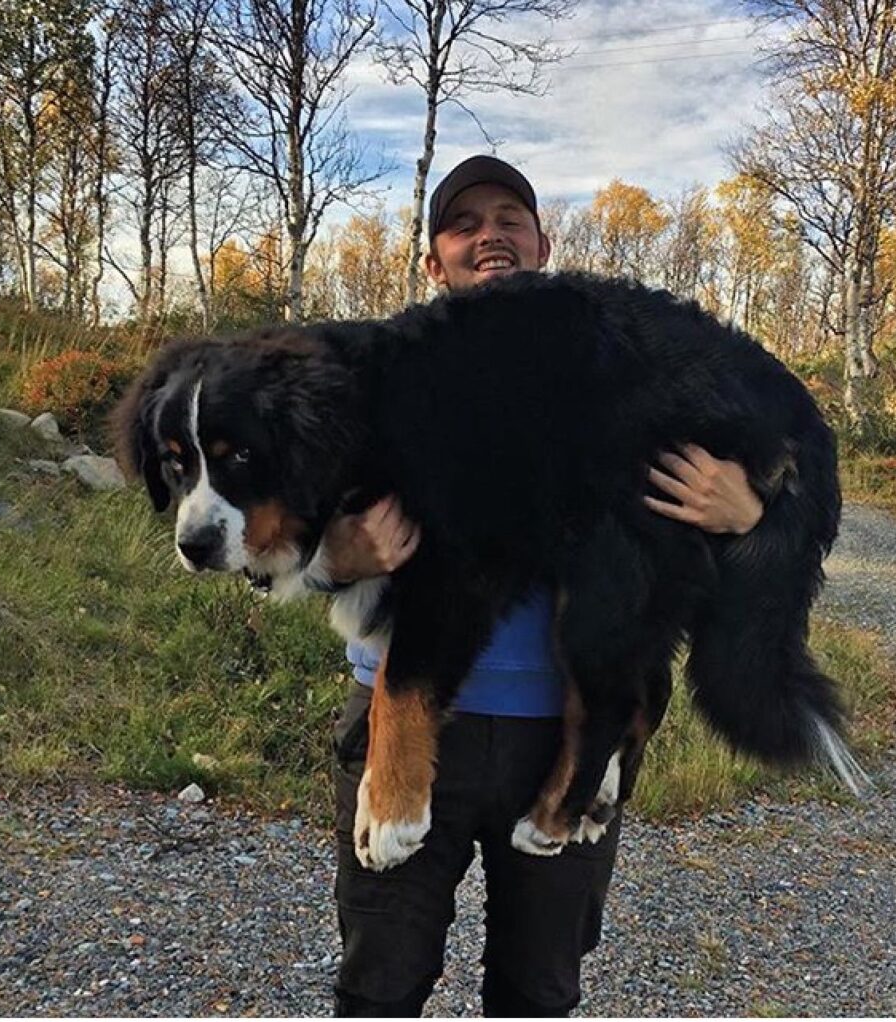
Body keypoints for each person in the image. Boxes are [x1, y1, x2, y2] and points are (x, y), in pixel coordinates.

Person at [324, 155, 764, 1017]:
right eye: (463, 223)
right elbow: (272, 526)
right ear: (431, 262)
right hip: (404, 724)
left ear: (542, 243)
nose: (489, 233)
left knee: (540, 993)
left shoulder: (622, 366)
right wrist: (342, 553)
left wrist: (749, 511)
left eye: (509, 217)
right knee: (377, 986)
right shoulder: (378, 377)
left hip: (564, 738)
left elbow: (767, 458)